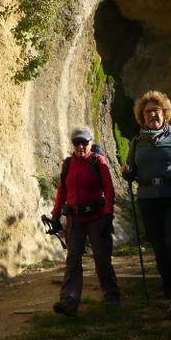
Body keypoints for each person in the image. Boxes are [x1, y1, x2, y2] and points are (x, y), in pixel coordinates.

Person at [120, 90, 171, 321]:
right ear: (141, 117)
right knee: (160, 250)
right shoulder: (137, 142)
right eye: (147, 112)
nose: (152, 115)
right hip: (148, 200)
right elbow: (131, 170)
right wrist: (127, 173)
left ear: (165, 114)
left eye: (156, 111)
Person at [49, 126, 120, 317]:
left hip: (97, 218)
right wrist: (55, 215)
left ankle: (111, 295)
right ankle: (69, 301)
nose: (80, 146)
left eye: (84, 142)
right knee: (73, 260)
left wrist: (108, 215)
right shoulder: (68, 164)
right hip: (75, 219)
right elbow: (62, 191)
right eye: (76, 142)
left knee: (102, 258)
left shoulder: (98, 161)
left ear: (90, 142)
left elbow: (109, 190)